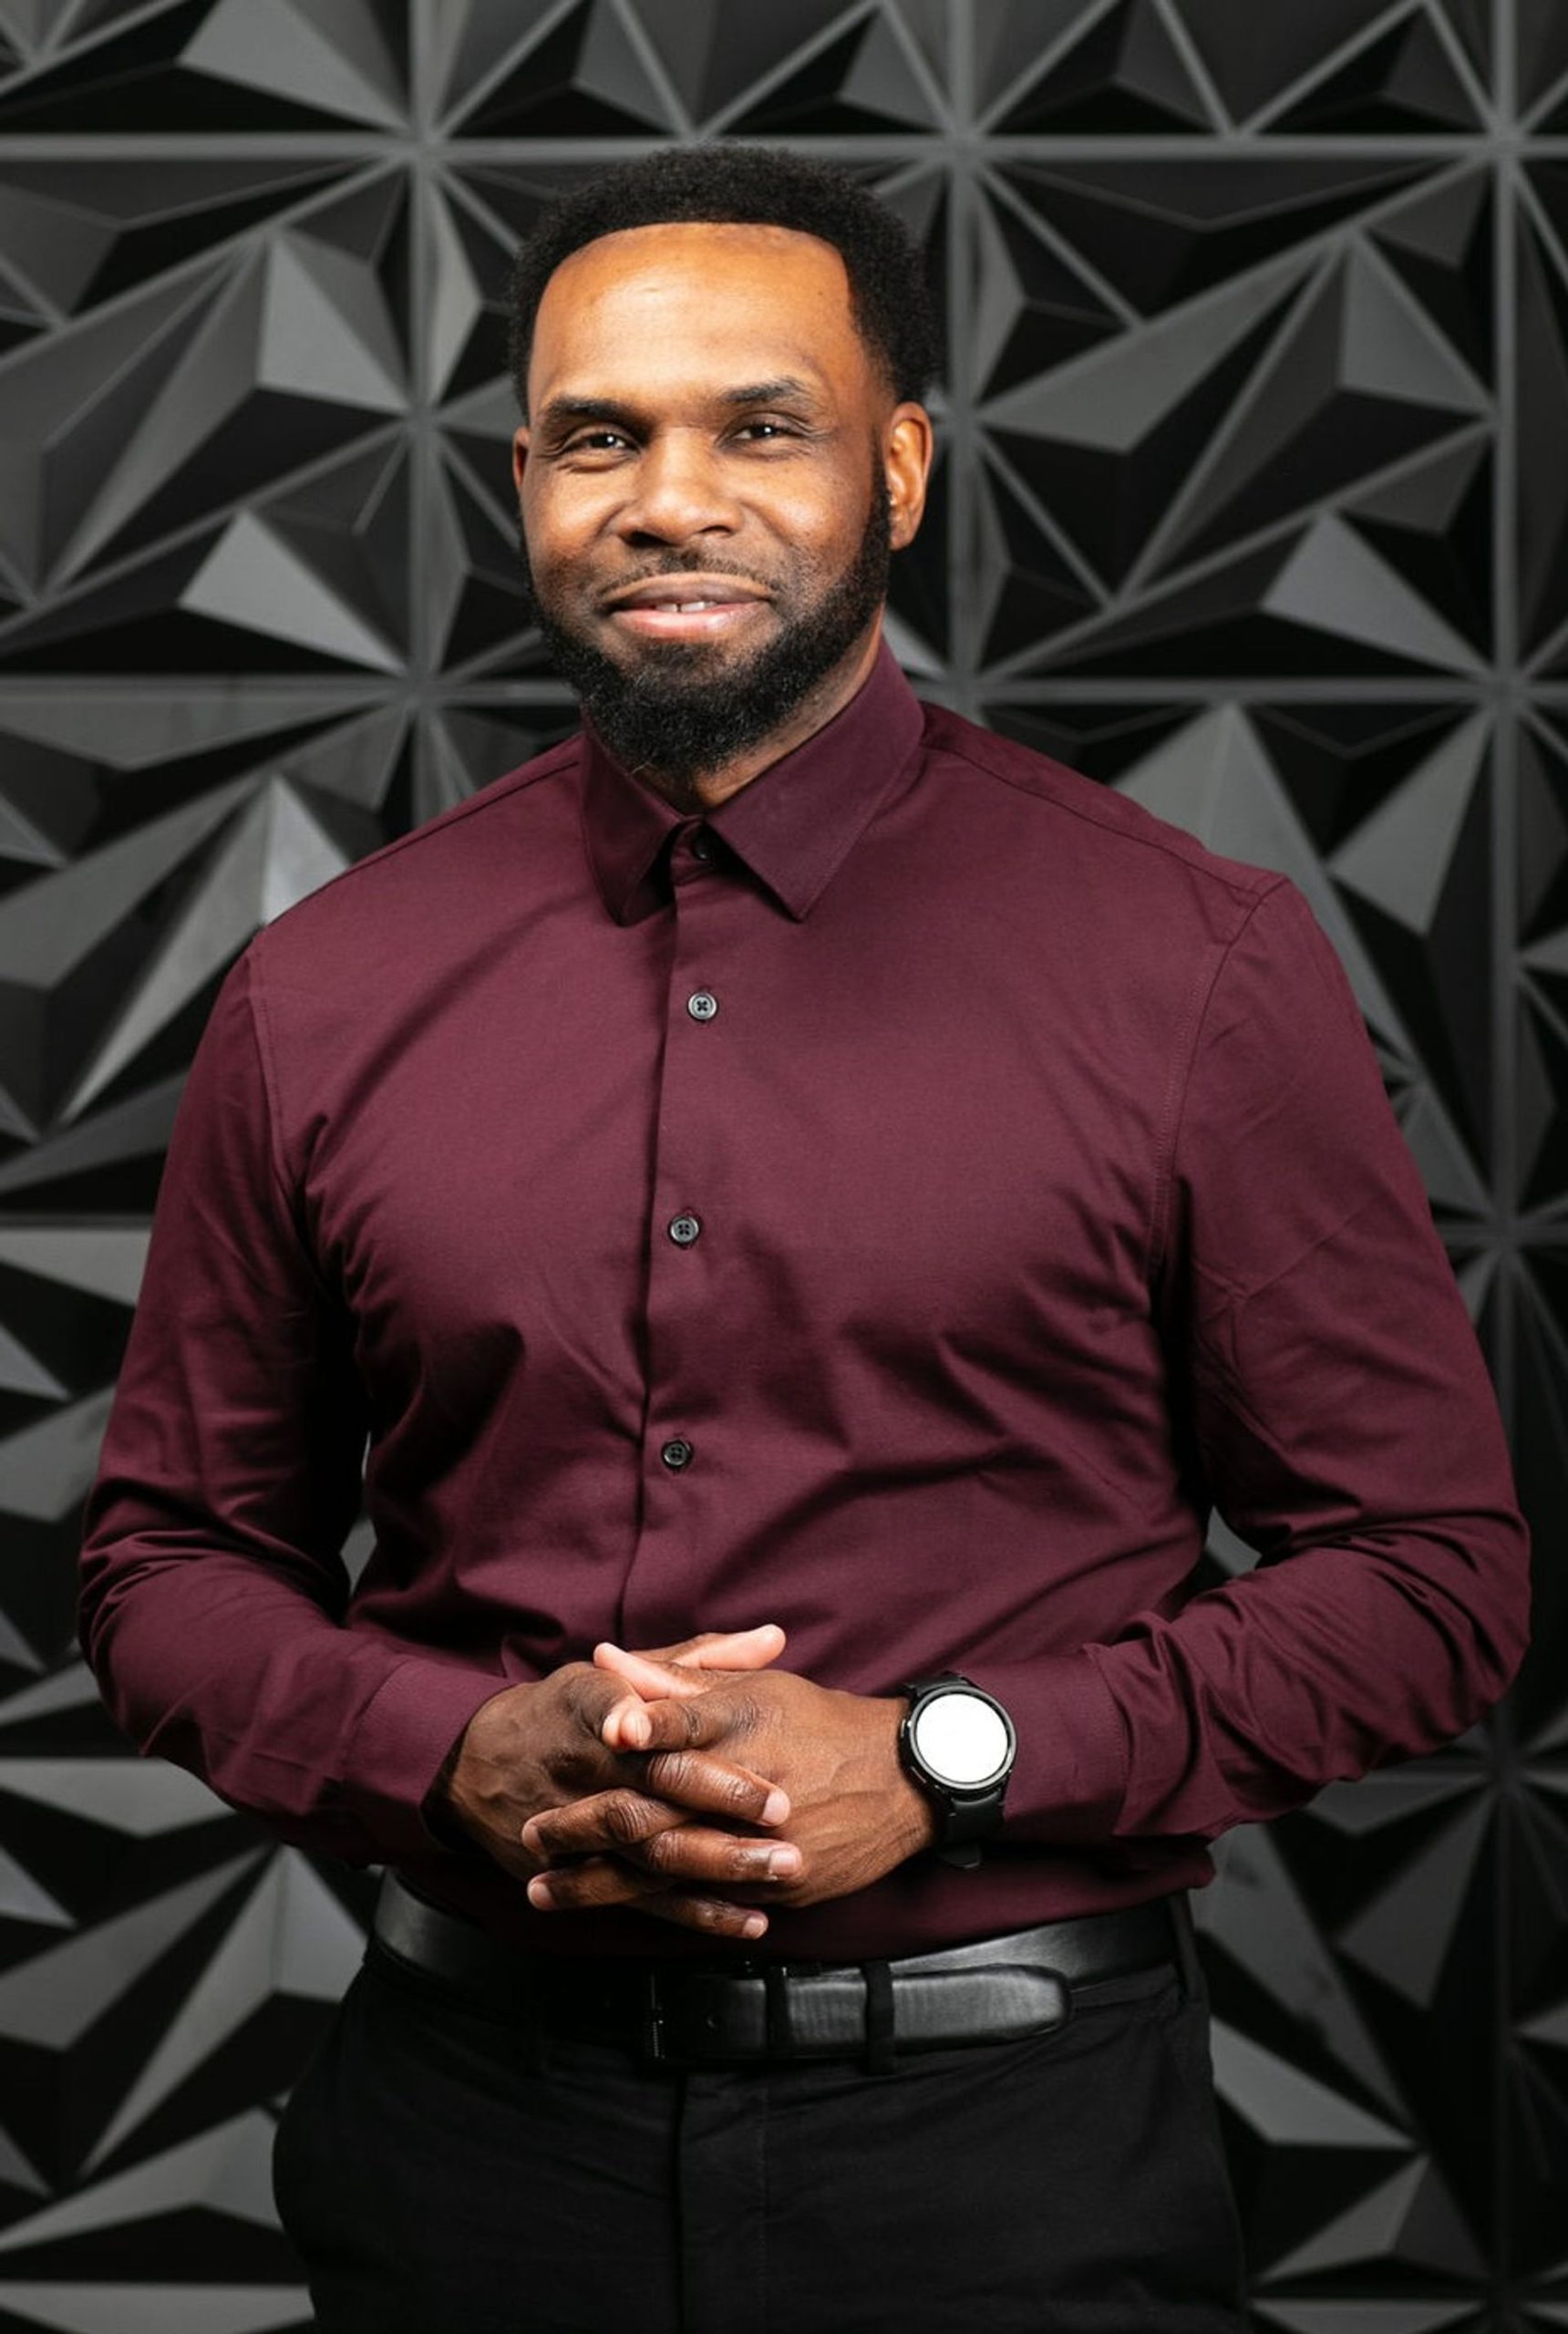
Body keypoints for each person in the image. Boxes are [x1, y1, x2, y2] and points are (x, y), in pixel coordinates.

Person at [77, 145, 1530, 2334]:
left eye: (760, 427)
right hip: (464, 2144)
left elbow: (1427, 1573)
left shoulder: (1190, 964)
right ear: (523, 485)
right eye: (599, 438)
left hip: (1009, 2170)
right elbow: (164, 1562)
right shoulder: (326, 988)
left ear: (899, 470)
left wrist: (946, 1757)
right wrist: (447, 1752)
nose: (671, 499)